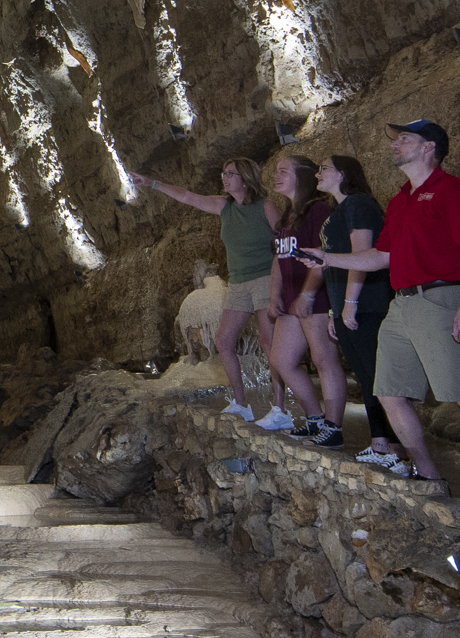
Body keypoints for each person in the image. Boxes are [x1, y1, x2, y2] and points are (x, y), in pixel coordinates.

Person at [361, 119, 460, 507]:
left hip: (442, 298)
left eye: (404, 139)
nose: (395, 145)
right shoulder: (399, 199)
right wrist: (326, 258)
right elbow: (381, 256)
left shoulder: (453, 192)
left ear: (428, 147)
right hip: (402, 302)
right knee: (388, 392)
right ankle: (429, 476)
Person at [129, 155, 278, 416]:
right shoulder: (224, 206)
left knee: (268, 343)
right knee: (223, 341)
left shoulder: (266, 207)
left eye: (230, 174)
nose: (224, 178)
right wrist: (152, 183)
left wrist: (283, 283)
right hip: (239, 282)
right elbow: (187, 196)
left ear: (245, 178)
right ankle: (242, 404)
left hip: (265, 278)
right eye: (224, 173)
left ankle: (279, 408)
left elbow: (284, 245)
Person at [259, 154, 349, 445]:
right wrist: (275, 295)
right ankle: (315, 418)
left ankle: (333, 428)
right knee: (281, 359)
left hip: (317, 297)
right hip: (291, 299)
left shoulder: (319, 210)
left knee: (324, 358)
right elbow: (279, 257)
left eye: (283, 170)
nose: (276, 175)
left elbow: (323, 255)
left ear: (303, 176)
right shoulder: (287, 216)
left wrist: (308, 294)